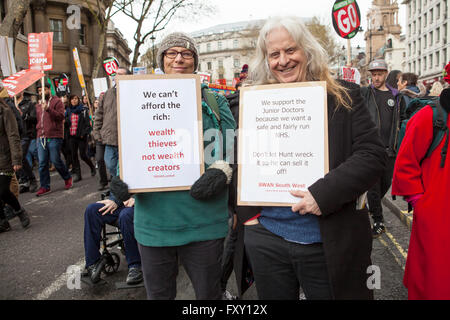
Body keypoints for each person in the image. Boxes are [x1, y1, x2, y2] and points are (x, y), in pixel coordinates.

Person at [236, 16, 386, 300]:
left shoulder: (344, 96)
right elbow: (241, 158)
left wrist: (322, 194)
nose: (283, 61)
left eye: (291, 50)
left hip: (328, 240)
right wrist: (249, 220)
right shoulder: (256, 102)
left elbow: (372, 155)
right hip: (268, 238)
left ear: (307, 50)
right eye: (274, 54)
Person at [126, 32, 236, 300]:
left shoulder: (215, 100)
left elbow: (231, 146)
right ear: (161, 59)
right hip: (154, 223)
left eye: (186, 53)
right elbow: (129, 145)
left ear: (195, 60)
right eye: (171, 53)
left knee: (209, 295)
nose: (179, 58)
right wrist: (124, 178)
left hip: (204, 221)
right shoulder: (137, 98)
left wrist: (221, 171)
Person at [391, 84, 450, 299]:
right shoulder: (430, 116)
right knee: (434, 280)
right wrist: (420, 202)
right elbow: (405, 163)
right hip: (437, 217)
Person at [361, 60, 406, 237]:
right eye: (373, 74)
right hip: (371, 149)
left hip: (390, 150)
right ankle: (379, 221)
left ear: (386, 74)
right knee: (373, 186)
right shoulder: (366, 93)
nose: (376, 77)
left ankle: (371, 208)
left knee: (384, 185)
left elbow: (402, 120)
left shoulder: (396, 96)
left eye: (379, 74)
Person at [83, 196, 142, 285]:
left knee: (125, 216)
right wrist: (115, 200)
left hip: (142, 203)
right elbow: (117, 183)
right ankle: (92, 263)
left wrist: (138, 198)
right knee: (91, 210)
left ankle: (135, 267)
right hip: (122, 201)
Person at [0, 86, 30, 233]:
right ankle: (3, 221)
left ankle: (19, 210)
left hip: (4, 157)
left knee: (3, 190)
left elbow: (13, 135)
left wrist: (16, 159)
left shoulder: (5, 111)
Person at [35, 82, 72, 196]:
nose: (42, 92)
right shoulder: (37, 104)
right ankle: (45, 186)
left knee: (55, 160)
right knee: (42, 163)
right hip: (41, 136)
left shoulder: (57, 101)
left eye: (44, 90)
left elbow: (61, 116)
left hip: (54, 135)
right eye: (40, 91)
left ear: (49, 90)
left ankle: (67, 177)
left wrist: (48, 109)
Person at [94, 68, 130, 178]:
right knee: (110, 165)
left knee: (127, 167)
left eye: (120, 74)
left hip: (127, 139)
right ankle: (118, 184)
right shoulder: (107, 94)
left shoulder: (133, 92)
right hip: (110, 138)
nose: (116, 76)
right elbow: (99, 115)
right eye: (116, 74)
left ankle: (122, 188)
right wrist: (96, 132)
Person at [65, 94, 96, 182]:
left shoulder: (83, 110)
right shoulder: (68, 111)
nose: (74, 101)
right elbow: (67, 123)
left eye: (75, 99)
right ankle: (78, 175)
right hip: (72, 136)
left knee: (83, 155)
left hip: (81, 136)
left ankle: (92, 167)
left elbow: (88, 125)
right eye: (72, 99)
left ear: (78, 100)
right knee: (74, 155)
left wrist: (83, 133)